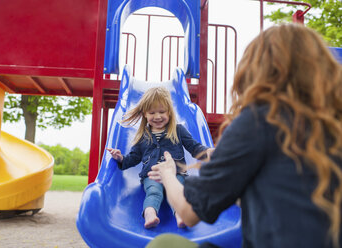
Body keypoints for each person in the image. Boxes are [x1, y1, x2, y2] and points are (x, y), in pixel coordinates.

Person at [147, 24, 342, 248]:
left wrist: (168, 173)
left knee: (165, 244)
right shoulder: (333, 127)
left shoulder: (260, 121)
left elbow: (190, 211)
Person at [107, 87, 214, 229]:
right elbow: (133, 158)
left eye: (162, 112)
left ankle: (181, 216)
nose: (157, 116)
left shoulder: (178, 130)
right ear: (145, 114)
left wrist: (208, 152)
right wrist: (120, 158)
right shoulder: (143, 137)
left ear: (169, 112)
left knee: (178, 191)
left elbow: (194, 148)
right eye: (152, 113)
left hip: (176, 173)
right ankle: (150, 215)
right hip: (152, 175)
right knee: (154, 191)